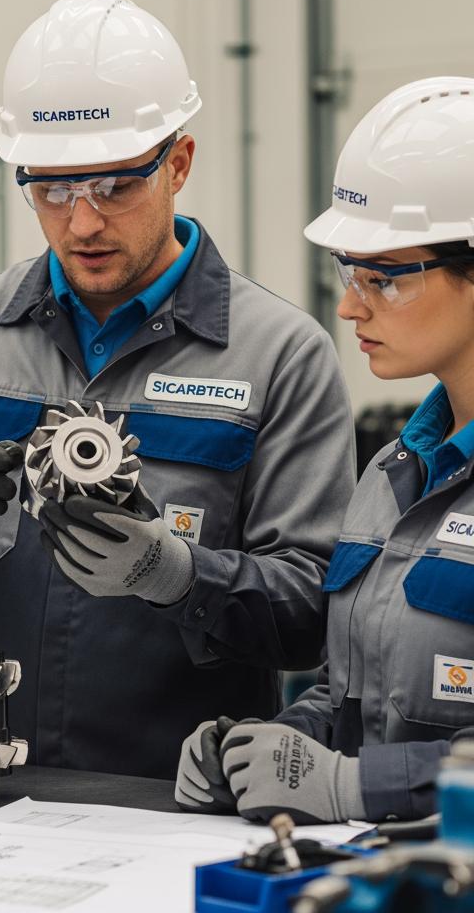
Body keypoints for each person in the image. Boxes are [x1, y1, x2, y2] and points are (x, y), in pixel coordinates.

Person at [0, 0, 355, 778]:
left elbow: (313, 619)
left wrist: (176, 575)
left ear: (177, 164)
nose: (81, 224)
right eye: (51, 189)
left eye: (115, 186)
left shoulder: (278, 353)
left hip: (177, 804)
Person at [175, 76, 474, 824]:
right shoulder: (390, 475)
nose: (348, 305)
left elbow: (365, 764)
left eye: (384, 278)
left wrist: (353, 787)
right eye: (349, 271)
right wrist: (272, 746)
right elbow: (354, 696)